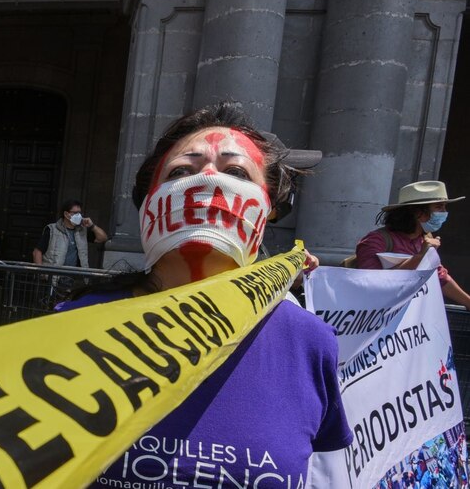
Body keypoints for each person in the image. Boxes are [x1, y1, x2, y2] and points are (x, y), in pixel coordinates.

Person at [57, 103, 350, 485]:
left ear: (269, 206)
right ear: (147, 203)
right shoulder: (76, 324)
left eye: (236, 171)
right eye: (182, 171)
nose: (209, 179)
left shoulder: (309, 343)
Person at [354, 180, 470, 309]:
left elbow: (439, 277)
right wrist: (420, 257)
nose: (444, 212)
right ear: (416, 212)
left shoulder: (424, 239)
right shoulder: (376, 240)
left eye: (444, 207)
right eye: (439, 207)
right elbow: (371, 281)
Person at [32, 199, 108, 268]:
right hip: (53, 276)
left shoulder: (82, 231)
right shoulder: (52, 229)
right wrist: (41, 273)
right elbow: (37, 252)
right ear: (66, 214)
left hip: (73, 277)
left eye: (80, 213)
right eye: (75, 213)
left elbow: (103, 238)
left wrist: (92, 226)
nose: (79, 215)